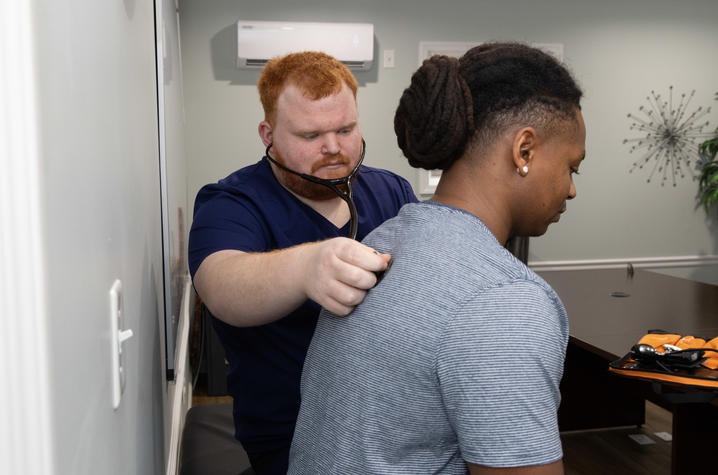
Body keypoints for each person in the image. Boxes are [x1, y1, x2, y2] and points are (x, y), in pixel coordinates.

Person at [289, 42, 586, 474]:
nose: (571, 189)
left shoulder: (386, 238)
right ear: (524, 150)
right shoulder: (502, 300)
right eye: (571, 167)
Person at [188, 51, 417, 474]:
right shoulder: (232, 204)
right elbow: (221, 284)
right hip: (292, 438)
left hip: (393, 425)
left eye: (346, 129)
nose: (333, 148)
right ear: (267, 134)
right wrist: (308, 268)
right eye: (311, 135)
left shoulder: (393, 192)